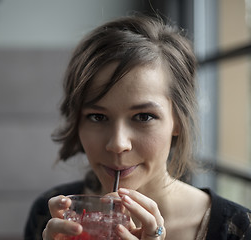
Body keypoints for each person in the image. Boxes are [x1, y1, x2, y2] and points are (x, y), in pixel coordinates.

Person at [24, 14, 251, 240]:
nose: (117, 144)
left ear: (178, 121)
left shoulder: (239, 230)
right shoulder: (52, 217)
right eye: (97, 117)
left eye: (143, 116)